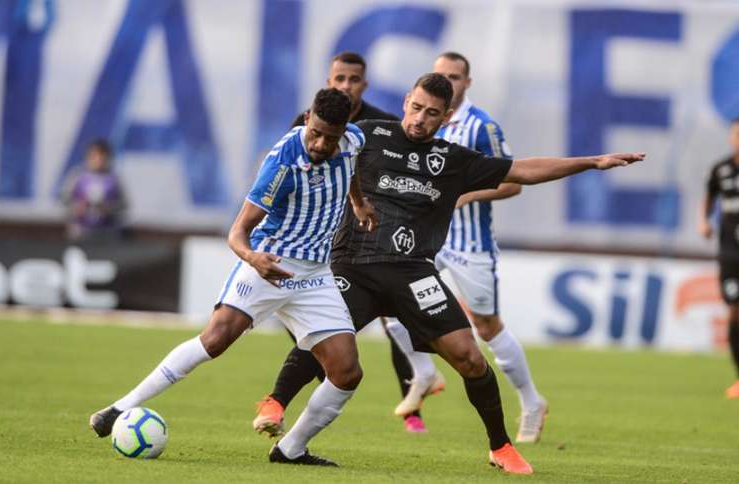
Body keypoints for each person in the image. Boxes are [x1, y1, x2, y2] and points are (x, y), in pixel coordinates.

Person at [267, 72, 644, 475]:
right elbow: (312, 141)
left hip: (414, 274)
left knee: (470, 357)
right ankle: (277, 410)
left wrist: (591, 162)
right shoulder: (367, 134)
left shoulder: (453, 161)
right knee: (328, 347)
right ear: (406, 101)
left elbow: (525, 170)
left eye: (431, 113)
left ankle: (501, 447)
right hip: (353, 266)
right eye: (415, 108)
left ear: (446, 117)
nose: (420, 119)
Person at [89, 88, 377, 467]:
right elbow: (237, 233)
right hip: (269, 262)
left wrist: (357, 201)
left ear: (344, 130)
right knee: (216, 339)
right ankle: (118, 408)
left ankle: (290, 449)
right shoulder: (282, 163)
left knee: (346, 371)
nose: (322, 143)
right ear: (308, 118)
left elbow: (351, 165)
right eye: (316, 133)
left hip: (314, 275)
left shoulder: (353, 140)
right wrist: (253, 260)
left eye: (331, 136)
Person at [254, 51, 441, 437]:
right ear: (328, 80)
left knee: (393, 316)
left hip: (371, 234)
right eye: (339, 79)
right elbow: (281, 176)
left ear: (364, 84)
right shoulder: (306, 123)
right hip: (320, 240)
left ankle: (413, 401)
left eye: (353, 79)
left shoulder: (382, 125)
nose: (345, 86)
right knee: (335, 330)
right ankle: (417, 378)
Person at [383, 52, 547, 444]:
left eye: (455, 77)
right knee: (389, 301)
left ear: (467, 83)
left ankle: (532, 400)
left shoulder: (481, 126)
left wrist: (463, 195)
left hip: (469, 243)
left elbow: (513, 181)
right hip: (426, 238)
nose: (448, 83)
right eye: (441, 76)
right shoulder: (421, 120)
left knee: (486, 327)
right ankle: (423, 373)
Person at [699, 116, 739, 399]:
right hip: (730, 253)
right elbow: (708, 197)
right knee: (735, 312)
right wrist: (703, 221)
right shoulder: (721, 169)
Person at [61, 139, 127, 242]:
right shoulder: (77, 176)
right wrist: (76, 208)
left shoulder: (114, 179)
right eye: (94, 156)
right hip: (80, 232)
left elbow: (123, 204)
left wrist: (108, 209)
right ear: (88, 157)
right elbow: (64, 199)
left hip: (107, 233)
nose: (98, 160)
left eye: (102, 157)